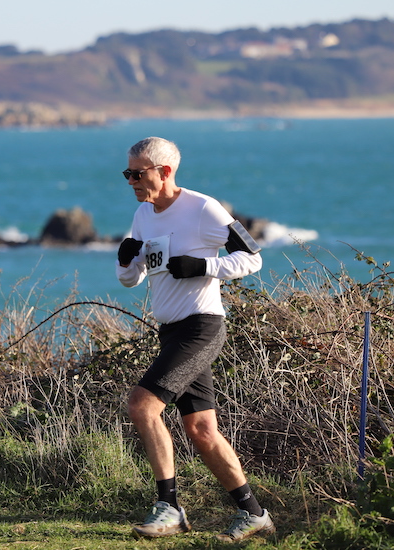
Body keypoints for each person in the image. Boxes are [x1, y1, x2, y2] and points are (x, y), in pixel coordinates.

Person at [116, 136, 275, 542]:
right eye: (127, 173)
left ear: (165, 172)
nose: (131, 180)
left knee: (142, 405)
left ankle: (168, 508)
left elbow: (253, 257)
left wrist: (203, 266)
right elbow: (132, 279)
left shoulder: (203, 208)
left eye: (138, 173)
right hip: (170, 331)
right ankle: (254, 514)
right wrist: (124, 260)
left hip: (202, 326)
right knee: (202, 431)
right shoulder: (143, 214)